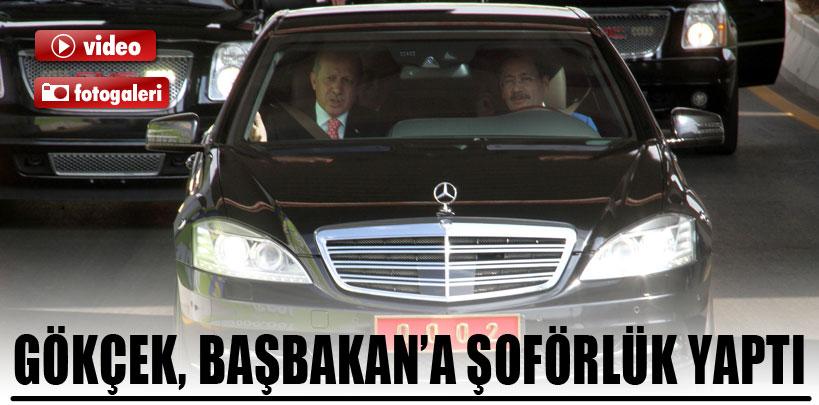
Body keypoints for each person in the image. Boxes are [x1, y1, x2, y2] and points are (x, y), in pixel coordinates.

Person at [251, 51, 384, 142]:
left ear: (357, 86)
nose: (337, 89)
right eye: (330, 78)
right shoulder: (281, 125)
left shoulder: (376, 125)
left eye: (347, 80)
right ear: (314, 81)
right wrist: (260, 144)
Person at [498, 53, 598, 132]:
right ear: (502, 91)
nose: (516, 89)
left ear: (544, 84)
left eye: (525, 79)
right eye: (509, 81)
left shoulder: (578, 125)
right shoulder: (493, 129)